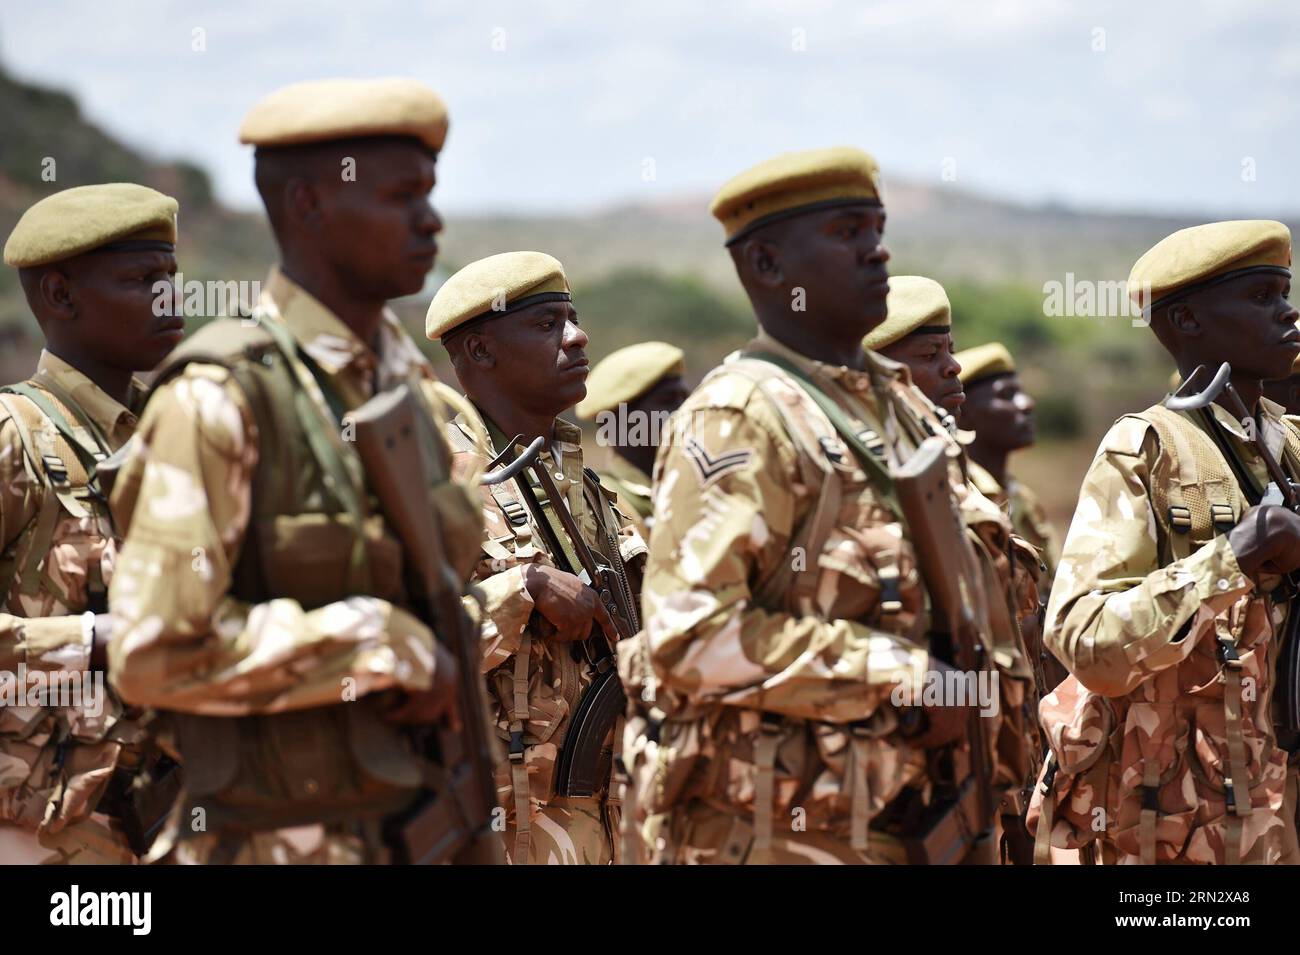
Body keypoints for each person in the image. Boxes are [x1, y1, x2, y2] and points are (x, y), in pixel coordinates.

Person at [105, 78, 487, 864]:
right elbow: (151, 651)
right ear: (310, 206)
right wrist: (375, 644)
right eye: (402, 196)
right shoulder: (221, 398)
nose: (431, 220)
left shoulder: (406, 389)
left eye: (431, 193)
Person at [619, 146, 1010, 864]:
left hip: (910, 819)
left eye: (876, 228)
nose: (877, 251)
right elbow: (689, 636)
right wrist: (894, 672)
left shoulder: (896, 404)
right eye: (845, 233)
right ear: (767, 266)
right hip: (780, 834)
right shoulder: (742, 415)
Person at [1031, 219, 1300, 864]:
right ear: (1187, 322)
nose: (1289, 313)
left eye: (1286, 292)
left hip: (1273, 817)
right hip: (1170, 837)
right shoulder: (1147, 450)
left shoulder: (1289, 445)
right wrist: (1233, 557)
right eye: (1263, 297)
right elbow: (1082, 636)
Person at [428, 250, 646, 864]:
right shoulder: (437, 483)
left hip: (604, 820)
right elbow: (394, 639)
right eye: (548, 324)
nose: (578, 337)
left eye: (573, 318)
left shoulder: (586, 488)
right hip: (497, 827)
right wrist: (519, 590)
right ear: (479, 352)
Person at [0, 183, 182, 864]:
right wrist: (88, 637)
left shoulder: (175, 438)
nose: (170, 297)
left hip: (163, 818)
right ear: (60, 296)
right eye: (142, 279)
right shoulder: (16, 437)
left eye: (171, 276)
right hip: (39, 833)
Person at [864, 274, 1048, 860]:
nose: (952, 368)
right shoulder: (851, 483)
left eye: (949, 350)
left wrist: (1011, 798)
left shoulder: (955, 479)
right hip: (891, 786)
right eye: (927, 355)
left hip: (976, 775)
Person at [955, 343, 1061, 586]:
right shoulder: (962, 494)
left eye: (1021, 392)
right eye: (1006, 395)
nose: (1027, 404)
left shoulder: (1022, 496)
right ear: (963, 413)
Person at [574, 341, 689, 540]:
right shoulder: (599, 506)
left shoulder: (693, 488)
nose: (685, 411)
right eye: (668, 400)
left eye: (685, 398)